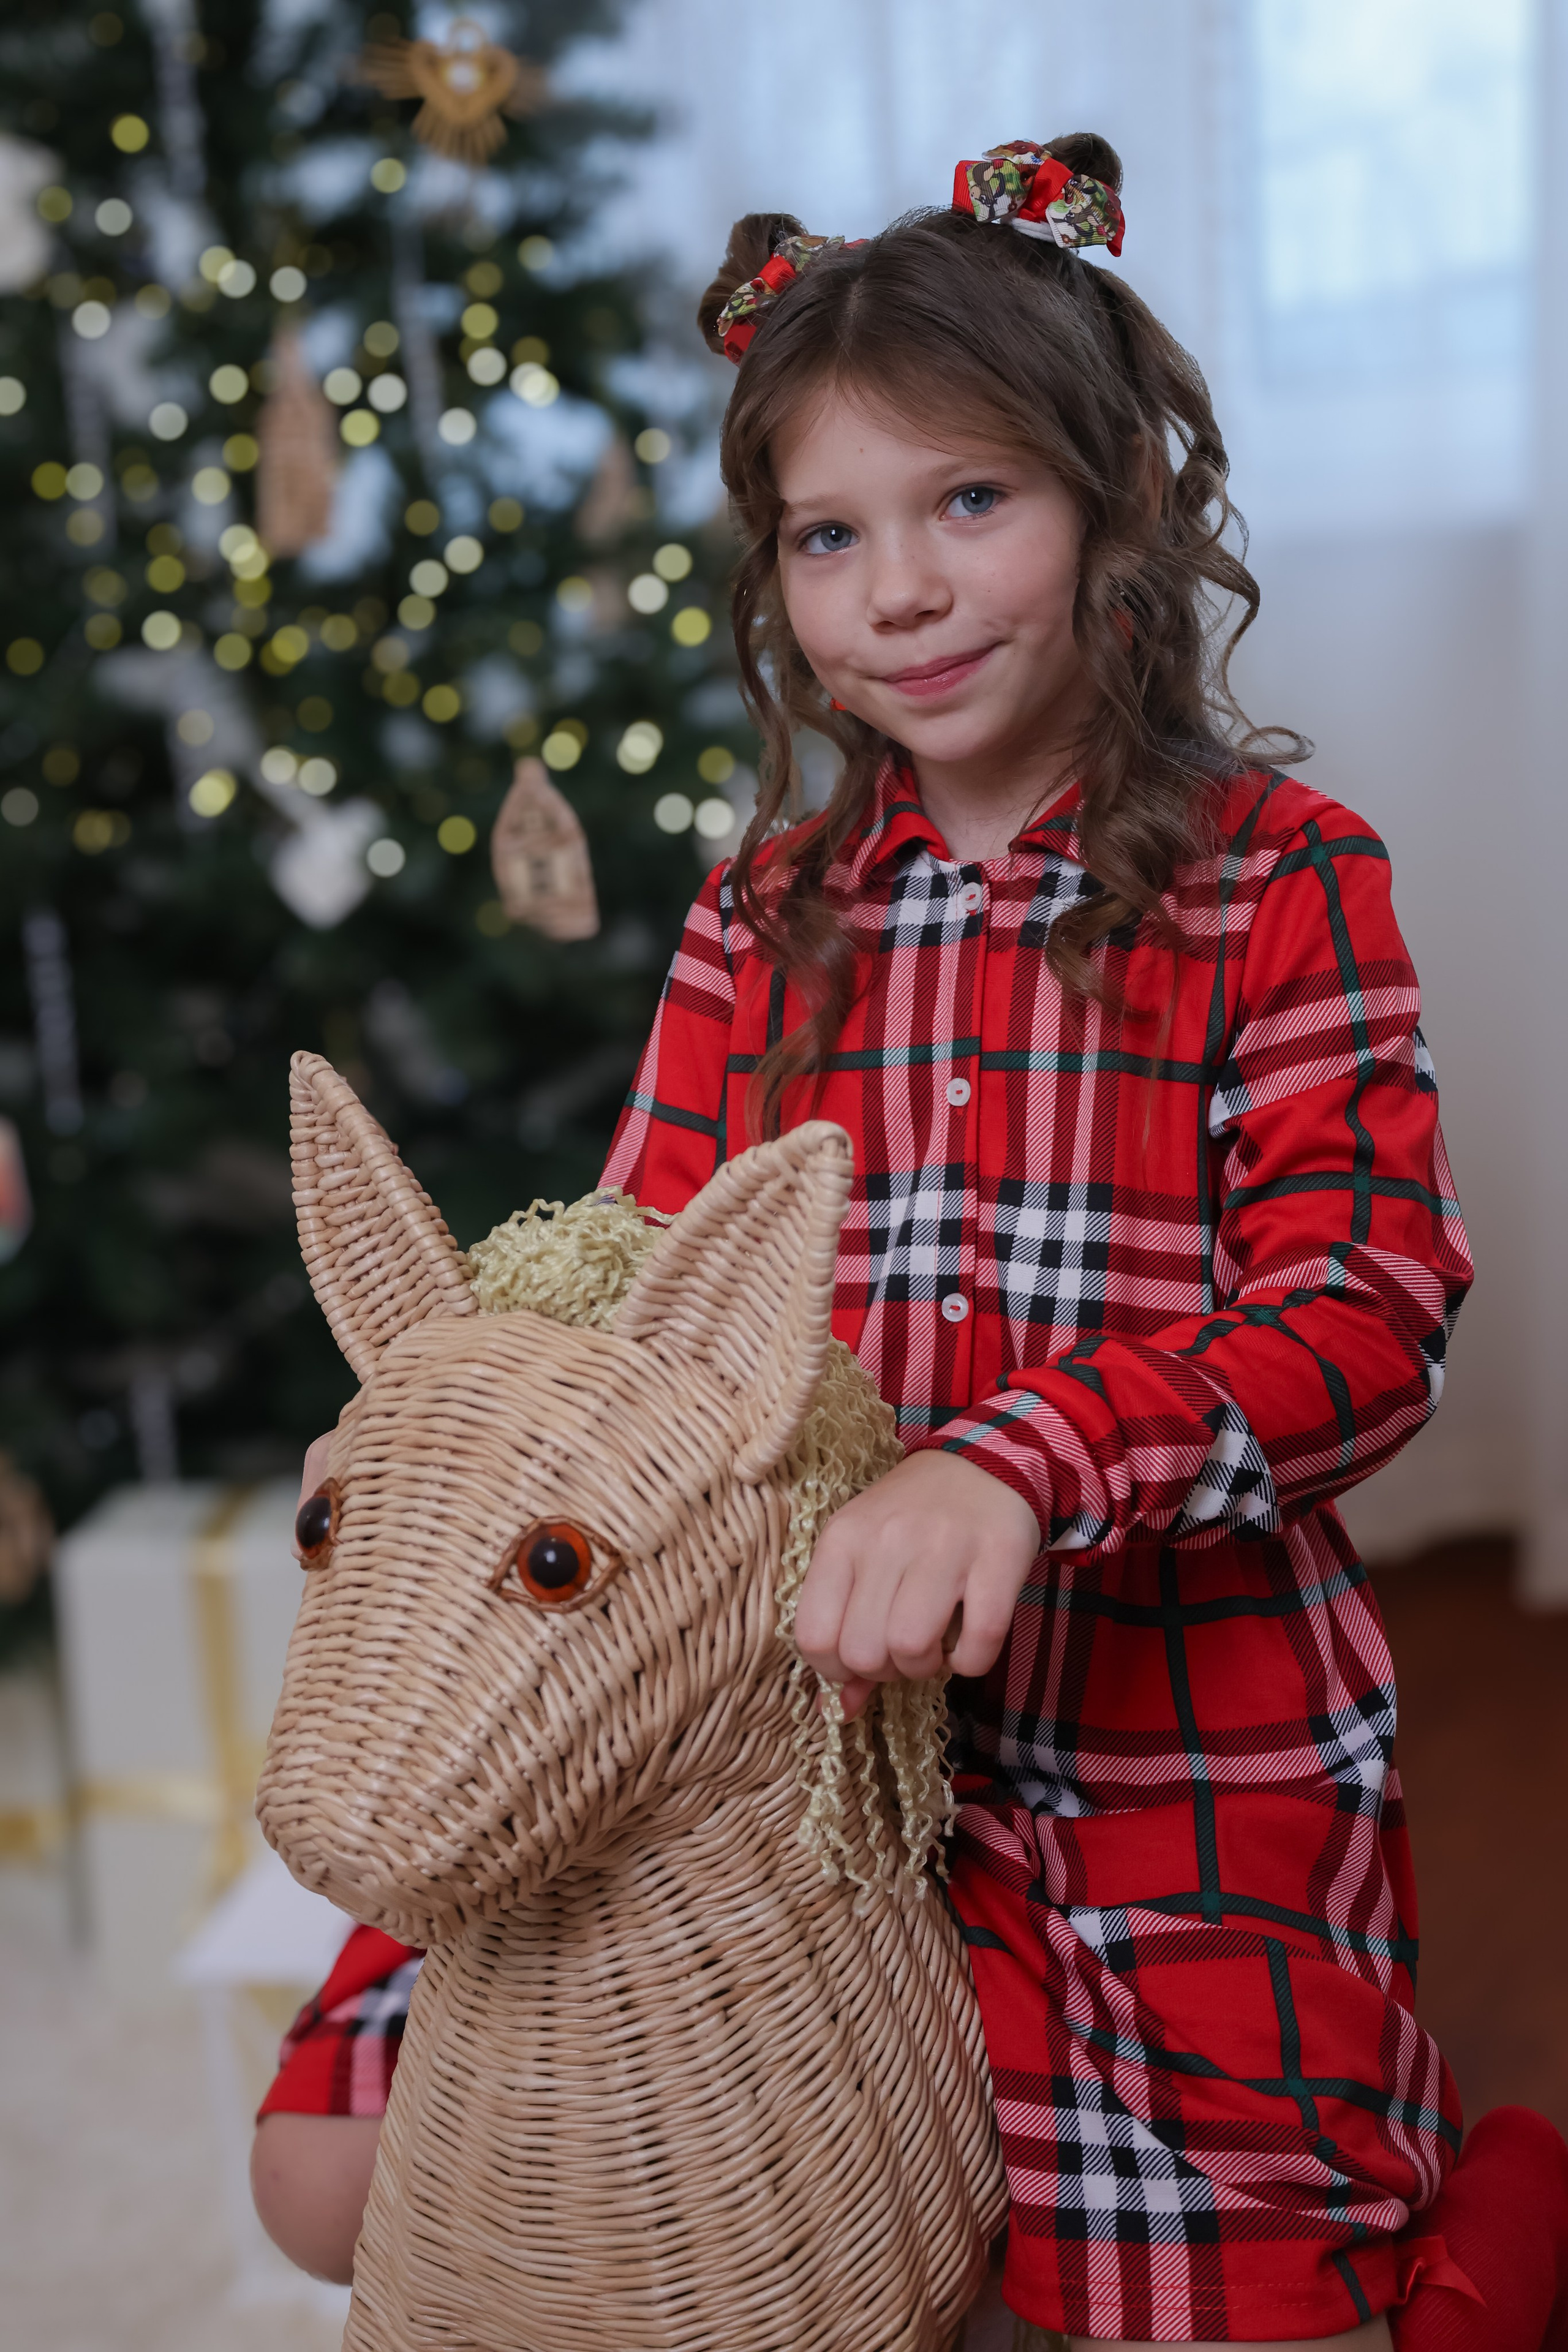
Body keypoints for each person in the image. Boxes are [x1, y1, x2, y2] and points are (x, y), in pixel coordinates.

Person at [253, 137, 1568, 2350]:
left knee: (1188, 2288)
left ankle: (1485, 2213)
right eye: (830, 535)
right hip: (753, 1724)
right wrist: (452, 1441)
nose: (903, 593)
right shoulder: (759, 922)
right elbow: (628, 1306)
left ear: (1115, 499)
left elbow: (1367, 1310)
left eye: (971, 501)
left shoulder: (1283, 881)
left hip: (1146, 1725)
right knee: (331, 2185)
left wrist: (1023, 1460)